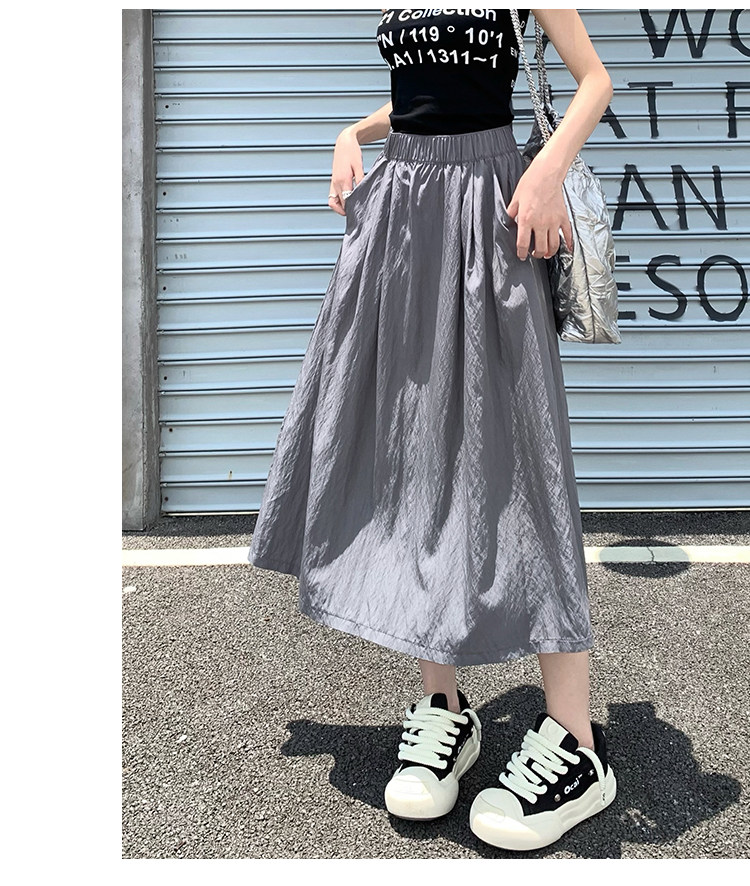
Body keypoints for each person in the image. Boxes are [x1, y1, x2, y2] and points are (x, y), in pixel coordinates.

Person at [248, 8, 616, 851]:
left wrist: (549, 167)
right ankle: (445, 706)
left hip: (493, 208)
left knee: (525, 461)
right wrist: (354, 130)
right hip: (404, 214)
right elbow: (423, 98)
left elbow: (593, 80)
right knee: (409, 455)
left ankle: (577, 743)